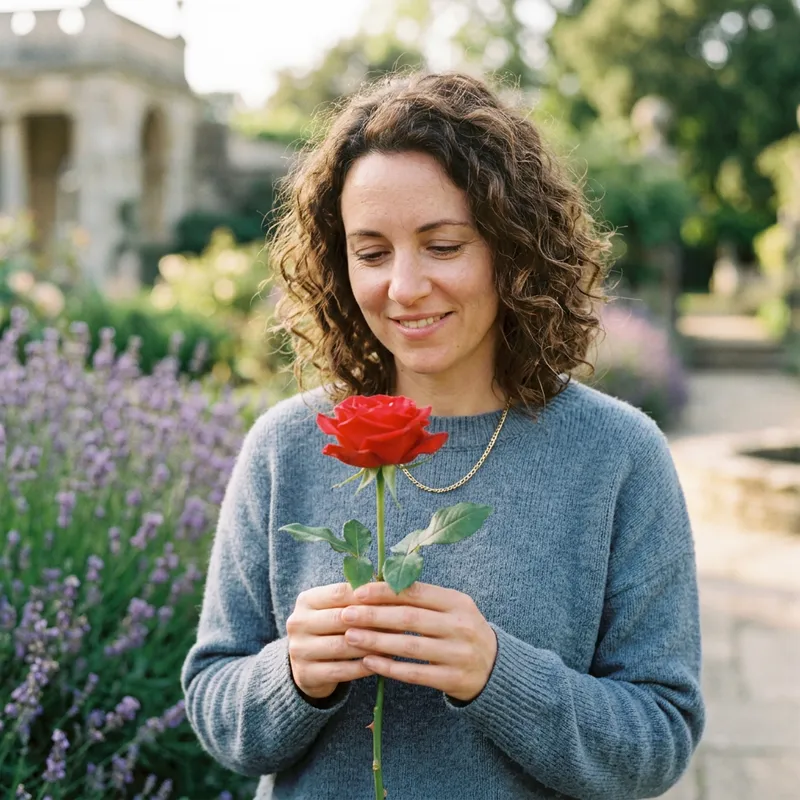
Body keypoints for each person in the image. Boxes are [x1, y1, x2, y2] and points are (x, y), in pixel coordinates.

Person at [181, 71, 705, 799]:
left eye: (443, 245)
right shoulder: (285, 446)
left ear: (511, 248)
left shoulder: (618, 455)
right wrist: (291, 674)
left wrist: (497, 674)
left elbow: (659, 740)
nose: (403, 286)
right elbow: (215, 705)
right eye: (371, 252)